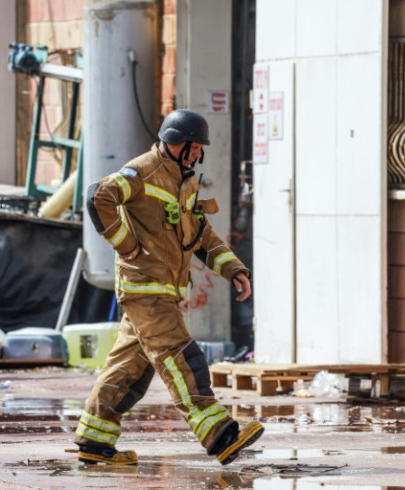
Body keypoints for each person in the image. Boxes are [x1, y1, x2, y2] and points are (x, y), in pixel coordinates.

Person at [75, 109, 264, 466]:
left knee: (128, 368)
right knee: (181, 357)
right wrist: (127, 245)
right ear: (176, 142)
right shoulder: (143, 171)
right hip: (146, 289)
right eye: (193, 148)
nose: (197, 155)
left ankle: (94, 438)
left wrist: (234, 270)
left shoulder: (185, 180)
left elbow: (201, 235)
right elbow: (98, 196)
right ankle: (219, 434)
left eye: (199, 150)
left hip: (163, 291)